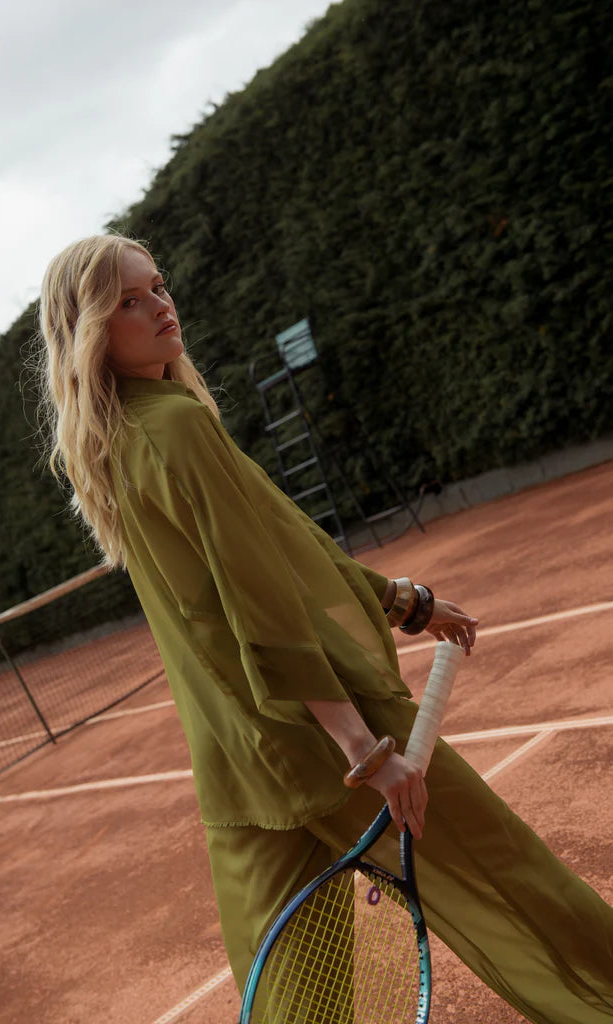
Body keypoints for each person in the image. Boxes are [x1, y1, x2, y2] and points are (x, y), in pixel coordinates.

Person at [34, 232, 613, 1024]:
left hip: (240, 762)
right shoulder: (176, 428)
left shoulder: (111, 445)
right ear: (91, 333)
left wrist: (400, 599)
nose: (159, 308)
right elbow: (258, 596)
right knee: (511, 889)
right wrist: (361, 748)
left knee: (290, 1004)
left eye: (158, 287)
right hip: (321, 732)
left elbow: (277, 546)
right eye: (127, 302)